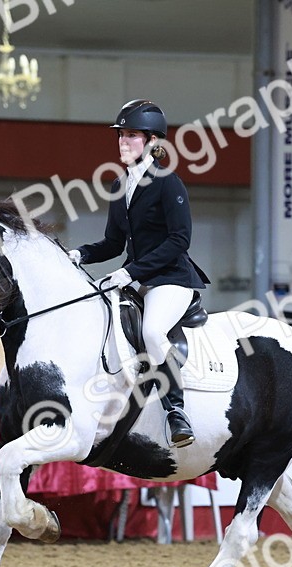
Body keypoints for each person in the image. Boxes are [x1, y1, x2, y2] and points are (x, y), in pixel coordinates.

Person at [68, 99, 209, 448]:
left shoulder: (168, 182)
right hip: (137, 278)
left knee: (152, 330)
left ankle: (176, 412)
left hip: (172, 279)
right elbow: (113, 243)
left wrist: (130, 272)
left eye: (131, 136)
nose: (122, 142)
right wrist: (78, 254)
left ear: (151, 141)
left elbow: (180, 240)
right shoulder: (120, 184)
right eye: (120, 136)